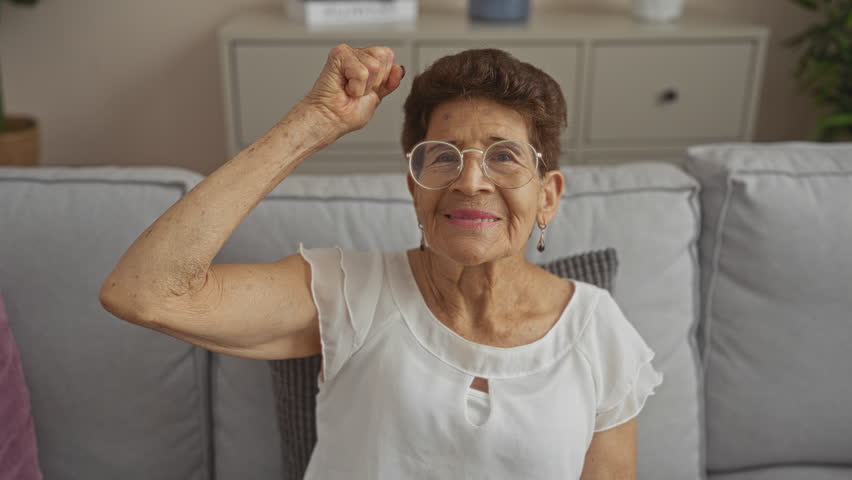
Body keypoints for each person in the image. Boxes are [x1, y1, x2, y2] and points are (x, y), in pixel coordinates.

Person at [99, 44, 663, 479]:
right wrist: (316, 122)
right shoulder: (351, 290)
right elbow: (143, 291)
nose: (470, 181)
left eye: (504, 157)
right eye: (442, 158)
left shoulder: (598, 329)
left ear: (548, 195)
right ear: (416, 189)